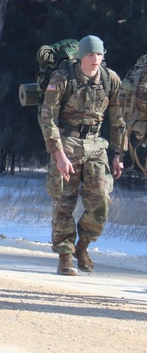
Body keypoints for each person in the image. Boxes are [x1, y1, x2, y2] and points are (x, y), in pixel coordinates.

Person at [38, 34, 124, 275]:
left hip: (96, 146)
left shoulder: (110, 79)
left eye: (99, 54)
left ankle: (82, 246)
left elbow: (118, 119)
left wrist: (119, 153)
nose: (95, 59)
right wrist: (59, 155)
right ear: (81, 56)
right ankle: (64, 256)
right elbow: (48, 118)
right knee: (64, 203)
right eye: (90, 54)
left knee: (101, 200)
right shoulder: (62, 78)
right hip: (67, 144)